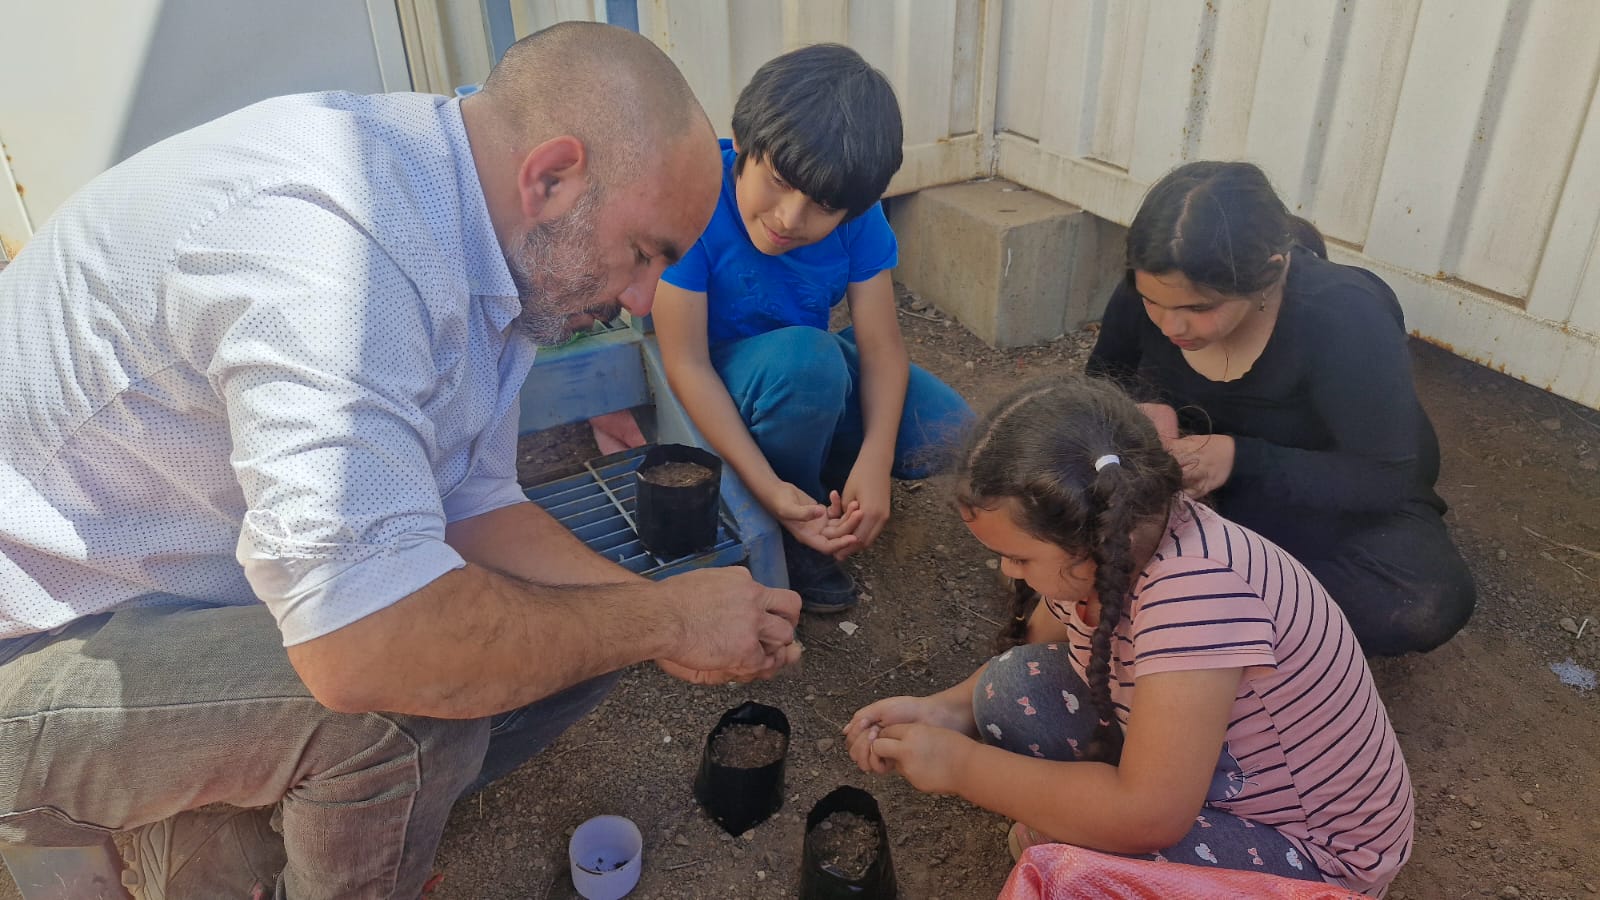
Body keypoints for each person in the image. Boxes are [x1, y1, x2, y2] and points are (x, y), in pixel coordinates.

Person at [0, 22, 803, 899]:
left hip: (162, 603)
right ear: (552, 176)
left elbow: (473, 505)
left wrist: (650, 611)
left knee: (585, 629)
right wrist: (669, 623)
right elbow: (363, 646)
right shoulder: (335, 256)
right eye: (643, 252)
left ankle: (244, 851)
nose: (642, 300)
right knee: (403, 715)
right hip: (40, 648)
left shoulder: (491, 248)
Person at [844, 376, 1415, 896]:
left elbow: (1149, 817)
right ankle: (1083, 816)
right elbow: (1046, 643)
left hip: (1314, 857)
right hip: (1208, 783)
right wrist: (943, 712)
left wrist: (962, 767)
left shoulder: (1195, 593)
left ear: (1092, 534)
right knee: (1009, 687)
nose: (1006, 572)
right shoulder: (1119, 544)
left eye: (1017, 557)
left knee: (1071, 875)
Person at [1086, 161, 1475, 656]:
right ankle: (1228, 611)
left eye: (1200, 309)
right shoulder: (1151, 288)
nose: (1171, 325)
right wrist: (1146, 408)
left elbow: (1385, 478)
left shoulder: (1343, 316)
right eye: (1152, 301)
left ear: (1269, 273)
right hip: (1195, 489)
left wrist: (1240, 459)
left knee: (1422, 601)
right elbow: (1102, 382)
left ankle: (1199, 612)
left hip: (1319, 496)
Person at [652, 44, 973, 613]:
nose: (789, 219)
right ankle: (798, 521)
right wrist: (772, 495)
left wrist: (875, 461)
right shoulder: (694, 195)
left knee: (949, 430)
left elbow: (880, 348)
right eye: (777, 181)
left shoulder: (858, 215)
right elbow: (686, 363)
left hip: (807, 371)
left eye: (823, 206)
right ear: (744, 144)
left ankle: (821, 463)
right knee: (809, 363)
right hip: (731, 376)